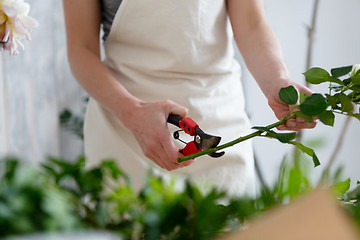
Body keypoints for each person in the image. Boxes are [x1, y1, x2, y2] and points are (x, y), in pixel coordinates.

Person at [62, 0, 316, 196]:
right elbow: (80, 48)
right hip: (126, 132)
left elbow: (251, 23)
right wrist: (133, 112)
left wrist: (277, 82)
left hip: (220, 124)